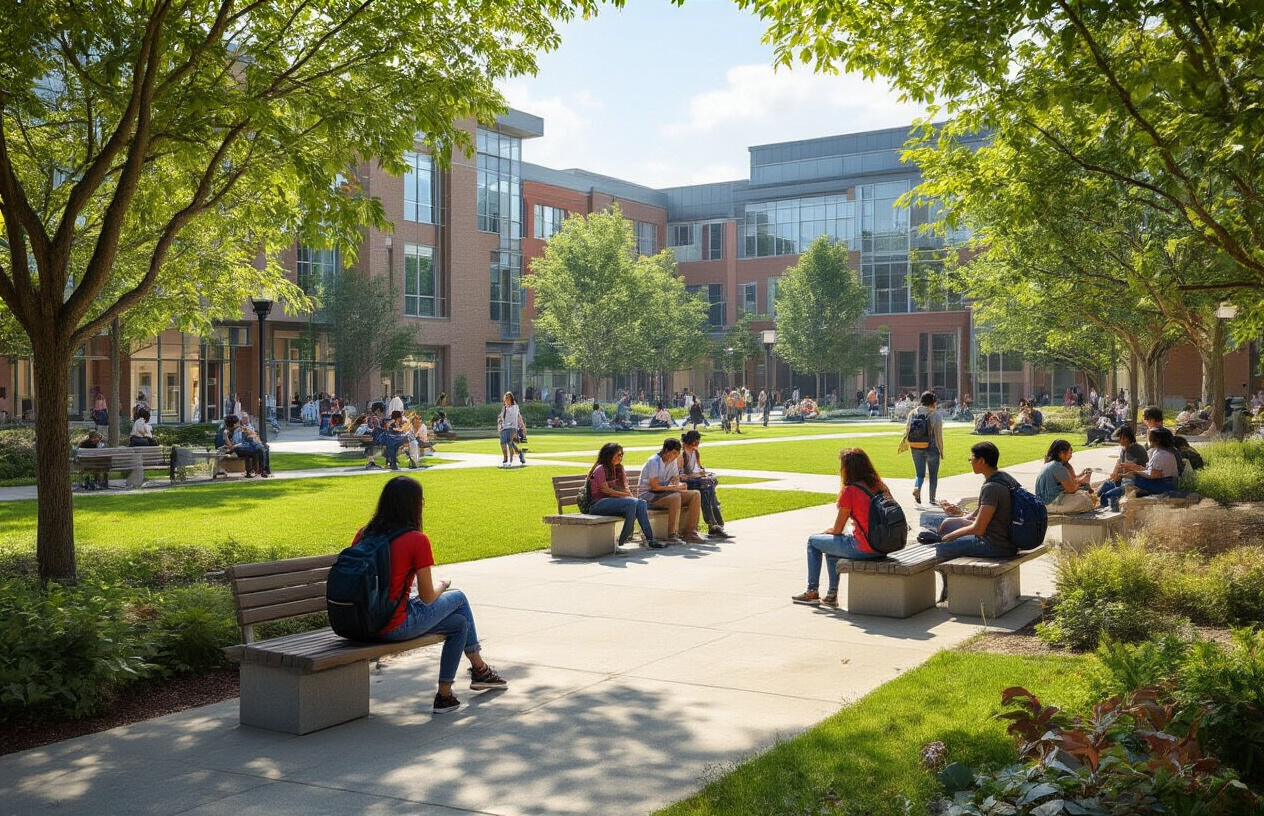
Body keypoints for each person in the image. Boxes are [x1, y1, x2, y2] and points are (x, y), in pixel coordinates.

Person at [367, 476, 508, 713]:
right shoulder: (416, 540)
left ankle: (447, 694)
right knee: (459, 597)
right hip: (393, 625)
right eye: (421, 500)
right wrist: (444, 584)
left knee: (459, 623)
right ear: (412, 505)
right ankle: (479, 670)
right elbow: (428, 597)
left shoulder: (364, 534)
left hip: (362, 621)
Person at [791, 447, 889, 608]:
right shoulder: (879, 485)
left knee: (813, 541)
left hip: (864, 547)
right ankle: (831, 595)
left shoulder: (850, 491)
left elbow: (837, 529)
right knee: (832, 549)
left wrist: (827, 532)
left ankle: (812, 590)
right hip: (883, 544)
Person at [920, 441, 1020, 559]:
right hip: (1006, 540)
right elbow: (979, 513)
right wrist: (960, 518)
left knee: (939, 549)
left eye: (972, 459)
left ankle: (947, 575)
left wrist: (948, 537)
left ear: (981, 461)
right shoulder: (1004, 478)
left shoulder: (992, 488)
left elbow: (978, 529)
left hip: (995, 545)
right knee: (933, 520)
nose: (970, 462)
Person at [586, 442, 661, 552]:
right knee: (632, 503)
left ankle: (650, 540)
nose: (620, 457)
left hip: (614, 502)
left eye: (622, 455)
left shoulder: (619, 469)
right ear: (609, 455)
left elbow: (625, 488)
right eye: (618, 455)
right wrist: (627, 496)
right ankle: (621, 541)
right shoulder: (600, 469)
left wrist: (631, 496)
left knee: (641, 503)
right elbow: (606, 490)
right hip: (598, 504)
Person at [638, 438, 703, 545]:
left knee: (695, 494)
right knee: (675, 497)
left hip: (663, 493)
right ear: (666, 450)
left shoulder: (672, 462)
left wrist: (680, 485)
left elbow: (675, 479)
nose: (675, 456)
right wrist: (675, 488)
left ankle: (691, 532)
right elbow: (654, 487)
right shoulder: (654, 462)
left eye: (677, 453)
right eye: (673, 453)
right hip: (648, 495)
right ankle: (672, 535)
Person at [680, 430, 731, 539]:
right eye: (698, 440)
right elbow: (682, 475)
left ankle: (715, 524)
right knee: (708, 488)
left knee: (710, 486)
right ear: (694, 441)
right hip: (687, 482)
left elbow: (699, 467)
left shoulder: (695, 452)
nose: (698, 443)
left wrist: (703, 472)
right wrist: (698, 474)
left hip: (696, 480)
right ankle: (714, 525)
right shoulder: (682, 453)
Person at [1034, 439, 1096, 515]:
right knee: (1087, 501)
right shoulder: (1059, 468)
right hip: (1051, 504)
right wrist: (1083, 480)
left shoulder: (1051, 464)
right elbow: (1071, 489)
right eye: (1070, 453)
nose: (1071, 456)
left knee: (1086, 495)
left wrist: (1082, 477)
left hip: (1044, 502)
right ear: (1062, 453)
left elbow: (1071, 480)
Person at [1095, 426, 1149, 510]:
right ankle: (1103, 507)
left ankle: (1113, 512)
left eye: (1120, 439)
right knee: (1104, 487)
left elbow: (1133, 469)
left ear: (1126, 438)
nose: (1118, 441)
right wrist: (1114, 474)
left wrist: (1120, 475)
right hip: (1124, 479)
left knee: (1108, 495)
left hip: (1134, 482)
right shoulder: (1124, 448)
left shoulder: (1134, 449)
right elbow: (1119, 464)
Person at [906, 391, 945, 506]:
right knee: (933, 475)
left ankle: (917, 488)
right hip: (931, 448)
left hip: (915, 447)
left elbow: (907, 430)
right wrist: (941, 450)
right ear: (933, 402)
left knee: (919, 474)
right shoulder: (935, 415)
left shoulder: (912, 413)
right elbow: (938, 436)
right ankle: (932, 499)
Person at [1118, 426, 1181, 497]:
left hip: (1165, 485)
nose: (1148, 438)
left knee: (1130, 481)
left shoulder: (1162, 455)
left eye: (1150, 437)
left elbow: (1153, 475)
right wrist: (1134, 467)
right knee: (1128, 480)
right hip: (1161, 482)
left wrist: (1135, 473)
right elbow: (1149, 470)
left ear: (1157, 440)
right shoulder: (1158, 451)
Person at [497, 391, 526, 468]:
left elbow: (519, 417)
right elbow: (500, 418)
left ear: (511, 399)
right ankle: (506, 458)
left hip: (512, 427)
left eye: (508, 399)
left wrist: (522, 427)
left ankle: (510, 459)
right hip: (504, 427)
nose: (506, 400)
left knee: (510, 443)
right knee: (503, 443)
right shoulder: (504, 409)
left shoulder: (515, 408)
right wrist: (499, 425)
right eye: (505, 399)